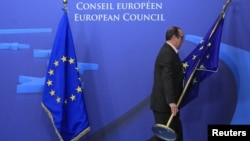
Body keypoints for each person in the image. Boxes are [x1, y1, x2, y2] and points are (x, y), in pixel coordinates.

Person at [148, 26, 184, 141]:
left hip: (169, 105)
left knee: (175, 136)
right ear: (174, 37)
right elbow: (166, 78)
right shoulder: (167, 54)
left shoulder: (171, 53)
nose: (183, 41)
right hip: (164, 105)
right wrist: (171, 102)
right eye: (182, 38)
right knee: (165, 138)